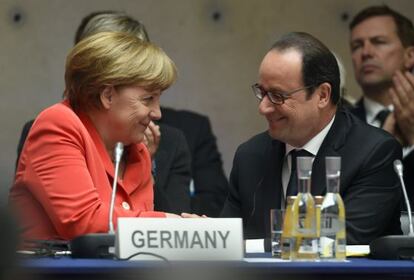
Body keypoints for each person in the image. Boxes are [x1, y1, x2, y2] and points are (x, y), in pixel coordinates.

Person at [10, 32, 197, 241]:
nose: (157, 113)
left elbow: (139, 241)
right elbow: (82, 222)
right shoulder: (58, 125)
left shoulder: (137, 149)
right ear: (107, 95)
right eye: (148, 99)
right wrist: (176, 226)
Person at [221, 32, 402, 245]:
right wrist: (211, 235)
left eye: (278, 96)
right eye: (262, 92)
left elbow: (341, 241)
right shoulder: (250, 155)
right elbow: (231, 239)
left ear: (323, 95)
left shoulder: (374, 152)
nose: (263, 108)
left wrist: (256, 244)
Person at [76, 11, 229, 217]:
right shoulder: (57, 130)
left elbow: (195, 216)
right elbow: (81, 219)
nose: (156, 113)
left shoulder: (175, 138)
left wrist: (144, 167)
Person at [349, 5, 414, 209]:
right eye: (357, 46)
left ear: (410, 56)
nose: (366, 53)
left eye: (379, 42)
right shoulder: (338, 123)